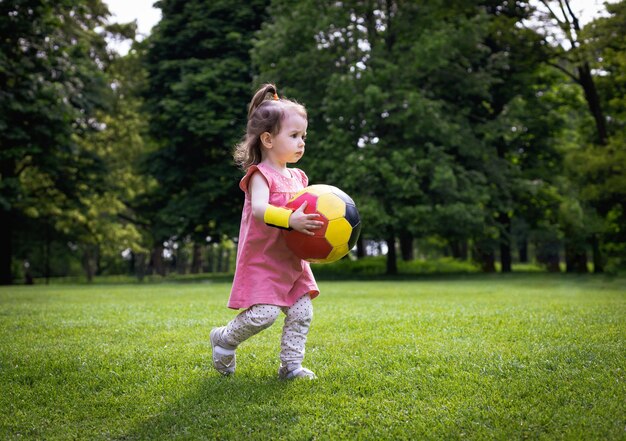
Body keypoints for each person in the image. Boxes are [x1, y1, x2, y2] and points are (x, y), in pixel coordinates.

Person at [210, 84, 324, 380]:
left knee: (302, 313)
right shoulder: (260, 175)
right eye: (294, 135)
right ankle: (224, 339)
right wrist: (291, 220)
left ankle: (291, 366)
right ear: (268, 139)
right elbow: (260, 210)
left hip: (293, 261)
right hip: (264, 259)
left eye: (304, 136)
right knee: (265, 314)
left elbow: (309, 211)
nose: (301, 143)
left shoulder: (299, 176)